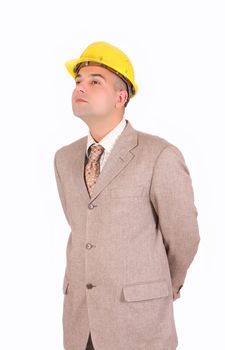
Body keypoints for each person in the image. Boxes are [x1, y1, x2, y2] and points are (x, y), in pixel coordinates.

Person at [53, 41, 200, 350]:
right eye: (78, 81)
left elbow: (184, 236)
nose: (81, 87)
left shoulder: (159, 155)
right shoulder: (64, 159)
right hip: (81, 324)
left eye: (95, 81)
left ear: (121, 97)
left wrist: (159, 288)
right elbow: (82, 226)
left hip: (139, 324)